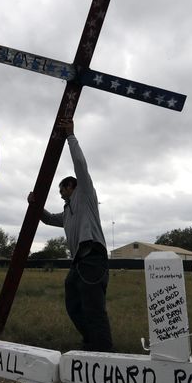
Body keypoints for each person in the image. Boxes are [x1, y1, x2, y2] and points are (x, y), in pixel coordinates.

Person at [29, 117, 114, 352]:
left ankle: (104, 352)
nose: (60, 194)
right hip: (79, 262)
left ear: (71, 187)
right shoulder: (67, 212)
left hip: (93, 258)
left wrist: (70, 136)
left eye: (62, 189)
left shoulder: (85, 194)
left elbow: (80, 164)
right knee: (73, 305)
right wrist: (34, 205)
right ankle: (90, 341)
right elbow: (46, 218)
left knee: (93, 308)